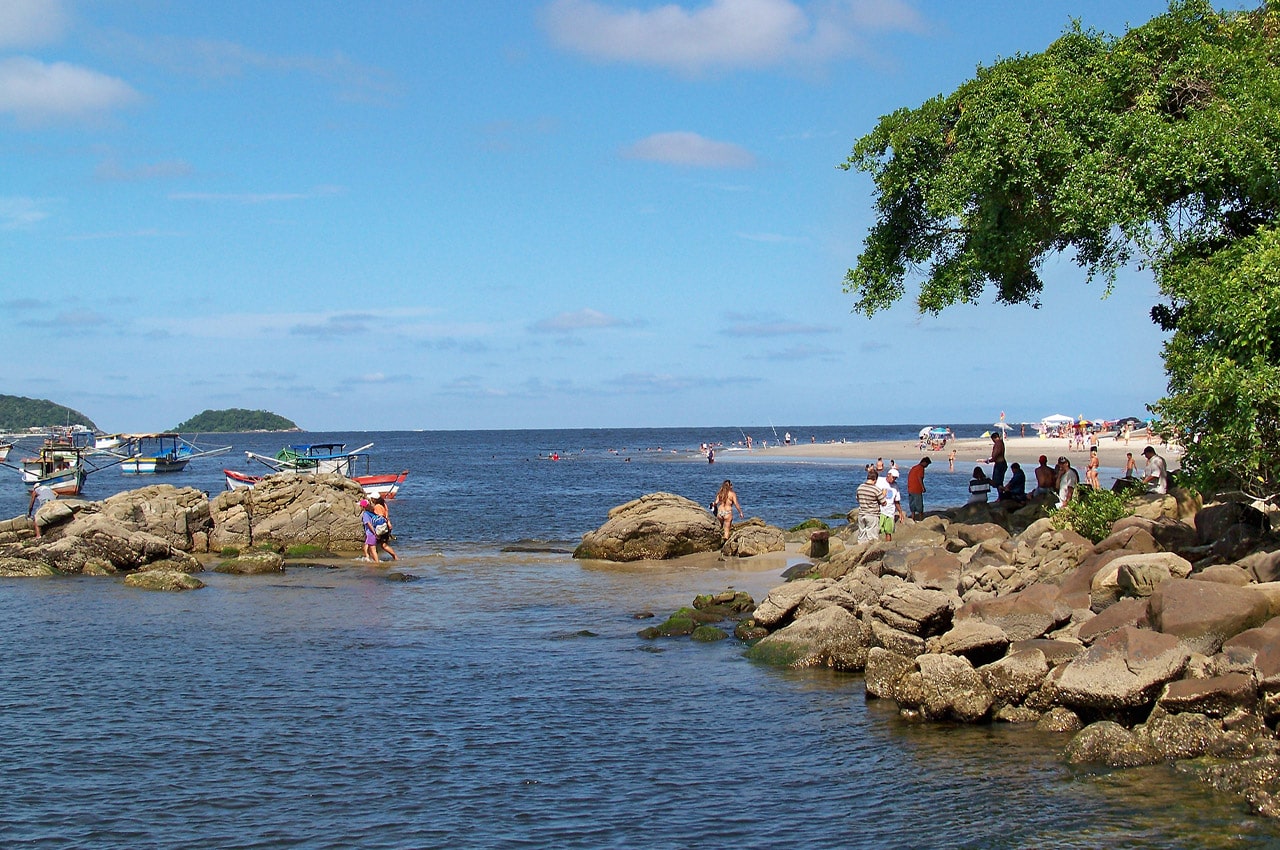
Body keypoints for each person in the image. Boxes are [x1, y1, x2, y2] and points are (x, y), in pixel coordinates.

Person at [855, 467, 886, 543]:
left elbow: (858, 499)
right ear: (875, 479)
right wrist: (884, 494)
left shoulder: (860, 487)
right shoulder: (876, 489)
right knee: (873, 538)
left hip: (862, 514)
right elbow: (884, 503)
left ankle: (860, 551)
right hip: (872, 515)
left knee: (861, 536)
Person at [877, 467, 908, 541]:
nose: (893, 480)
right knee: (878, 531)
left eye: (895, 478)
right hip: (880, 511)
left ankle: (888, 546)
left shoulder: (895, 486)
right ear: (888, 475)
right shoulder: (879, 481)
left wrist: (900, 512)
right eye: (893, 477)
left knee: (889, 531)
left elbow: (896, 501)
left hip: (890, 512)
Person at [370, 494, 398, 561]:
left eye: (371, 498)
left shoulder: (377, 506)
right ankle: (395, 557)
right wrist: (388, 523)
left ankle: (375, 561)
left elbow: (380, 517)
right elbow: (386, 515)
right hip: (386, 526)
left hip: (381, 527)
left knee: (380, 545)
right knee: (383, 545)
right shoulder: (384, 505)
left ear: (374, 499)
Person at [906, 456, 930, 521]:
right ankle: (921, 519)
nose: (926, 466)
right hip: (917, 489)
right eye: (927, 464)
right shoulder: (921, 468)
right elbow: (920, 478)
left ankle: (913, 519)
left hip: (910, 488)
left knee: (912, 505)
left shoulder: (914, 467)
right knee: (919, 506)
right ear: (924, 463)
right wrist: (923, 487)